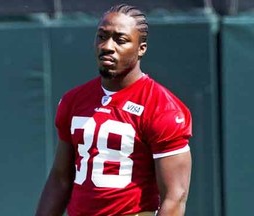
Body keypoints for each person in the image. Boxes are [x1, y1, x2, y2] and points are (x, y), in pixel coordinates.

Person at [35, 3, 192, 216]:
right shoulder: (74, 100)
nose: (107, 46)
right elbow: (60, 179)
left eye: (120, 40)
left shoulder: (162, 108)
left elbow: (175, 196)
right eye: (102, 36)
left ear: (141, 48)